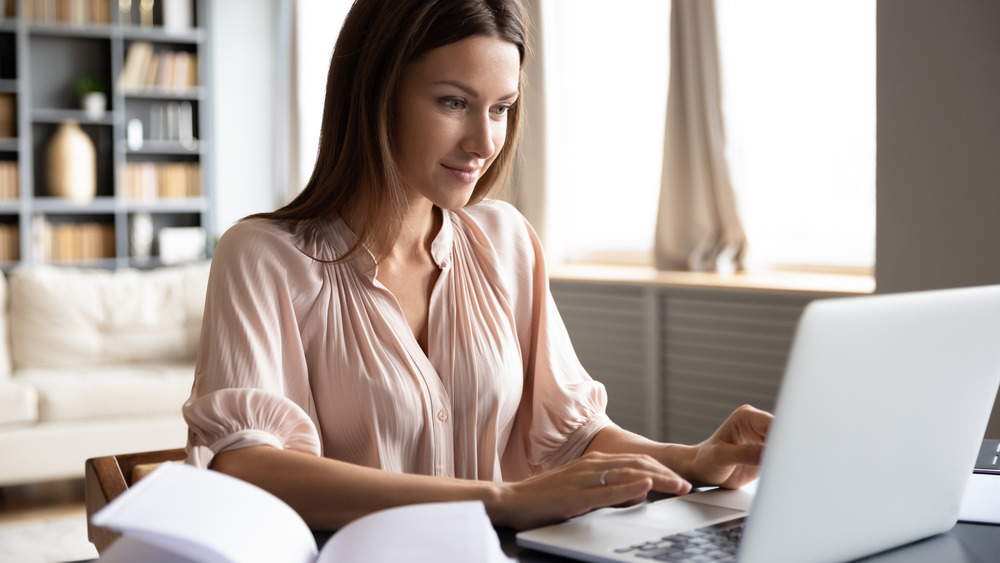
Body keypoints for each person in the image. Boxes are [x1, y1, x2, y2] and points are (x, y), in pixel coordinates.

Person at [183, 0, 772, 532]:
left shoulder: (506, 239)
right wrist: (501, 499)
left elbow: (573, 436)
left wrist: (695, 460)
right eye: (454, 102)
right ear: (376, 91)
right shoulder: (263, 257)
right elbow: (250, 467)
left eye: (502, 108)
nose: (485, 141)